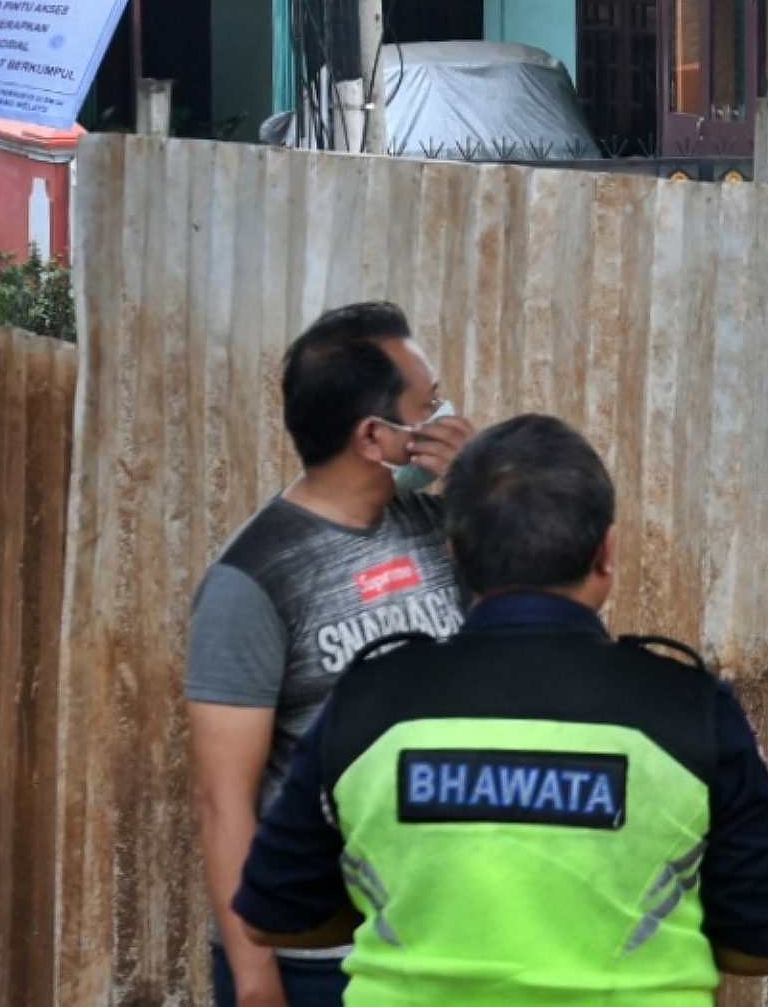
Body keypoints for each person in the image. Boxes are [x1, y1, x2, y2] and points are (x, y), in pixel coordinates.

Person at [234, 414, 768, 1000]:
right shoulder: (689, 707)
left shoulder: (369, 700)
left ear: (456, 554)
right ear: (606, 554)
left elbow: (272, 915)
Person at [187, 303, 474, 1007]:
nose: (447, 417)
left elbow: (545, 616)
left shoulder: (451, 528)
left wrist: (485, 482)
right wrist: (256, 979)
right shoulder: (252, 578)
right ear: (375, 436)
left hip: (438, 941)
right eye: (429, 404)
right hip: (315, 957)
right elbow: (224, 799)